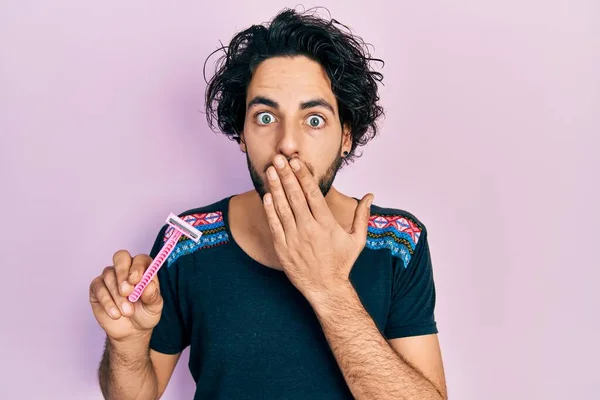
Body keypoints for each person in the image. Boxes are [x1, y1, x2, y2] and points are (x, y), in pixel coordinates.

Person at [89, 8, 447, 400]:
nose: (287, 143)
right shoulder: (186, 242)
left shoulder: (398, 243)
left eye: (314, 119)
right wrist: (127, 346)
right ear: (241, 133)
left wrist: (328, 287)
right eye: (264, 116)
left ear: (346, 136)